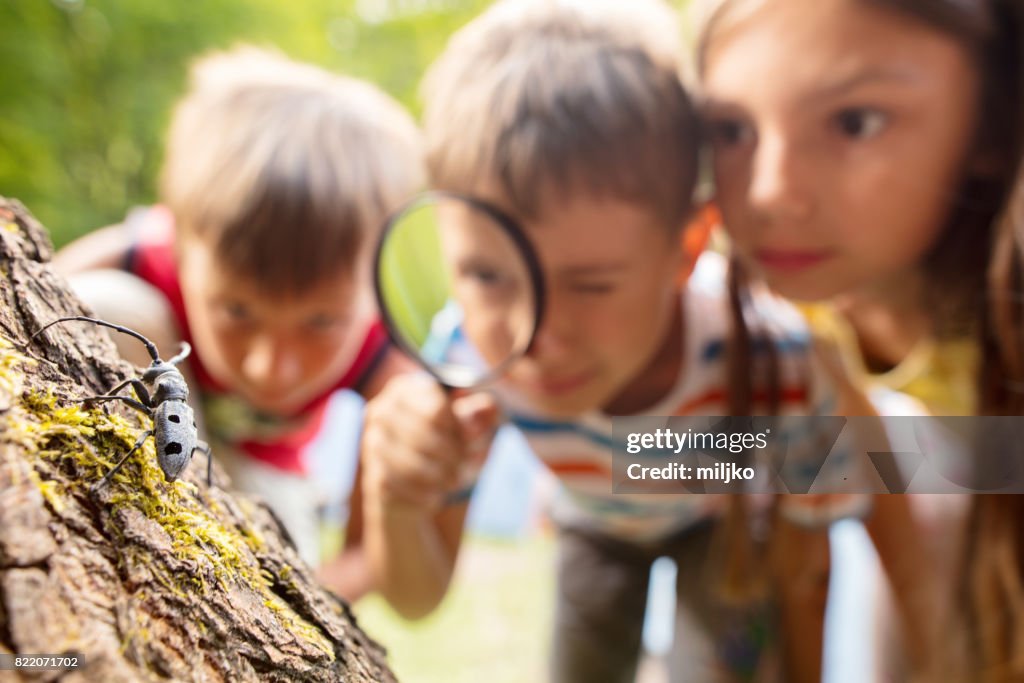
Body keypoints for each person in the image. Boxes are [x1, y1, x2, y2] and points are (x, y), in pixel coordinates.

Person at [359, 2, 874, 681]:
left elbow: (813, 557)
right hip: (593, 523)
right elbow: (416, 598)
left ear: (687, 246)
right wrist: (393, 494)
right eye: (485, 275)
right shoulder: (468, 363)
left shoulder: (774, 356)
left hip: (720, 522)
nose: (534, 337)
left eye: (592, 284)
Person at [693, 0, 1024, 677]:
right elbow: (877, 469)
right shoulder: (798, 307)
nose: (771, 191)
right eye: (731, 129)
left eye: (855, 122)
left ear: (995, 119)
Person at [53, 45, 423, 593]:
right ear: (180, 244)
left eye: (321, 322)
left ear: (376, 283)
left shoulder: (385, 362)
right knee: (108, 304)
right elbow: (38, 281)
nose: (271, 366)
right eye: (237, 311)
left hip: (266, 486)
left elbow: (370, 555)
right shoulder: (150, 251)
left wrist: (300, 601)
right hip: (154, 430)